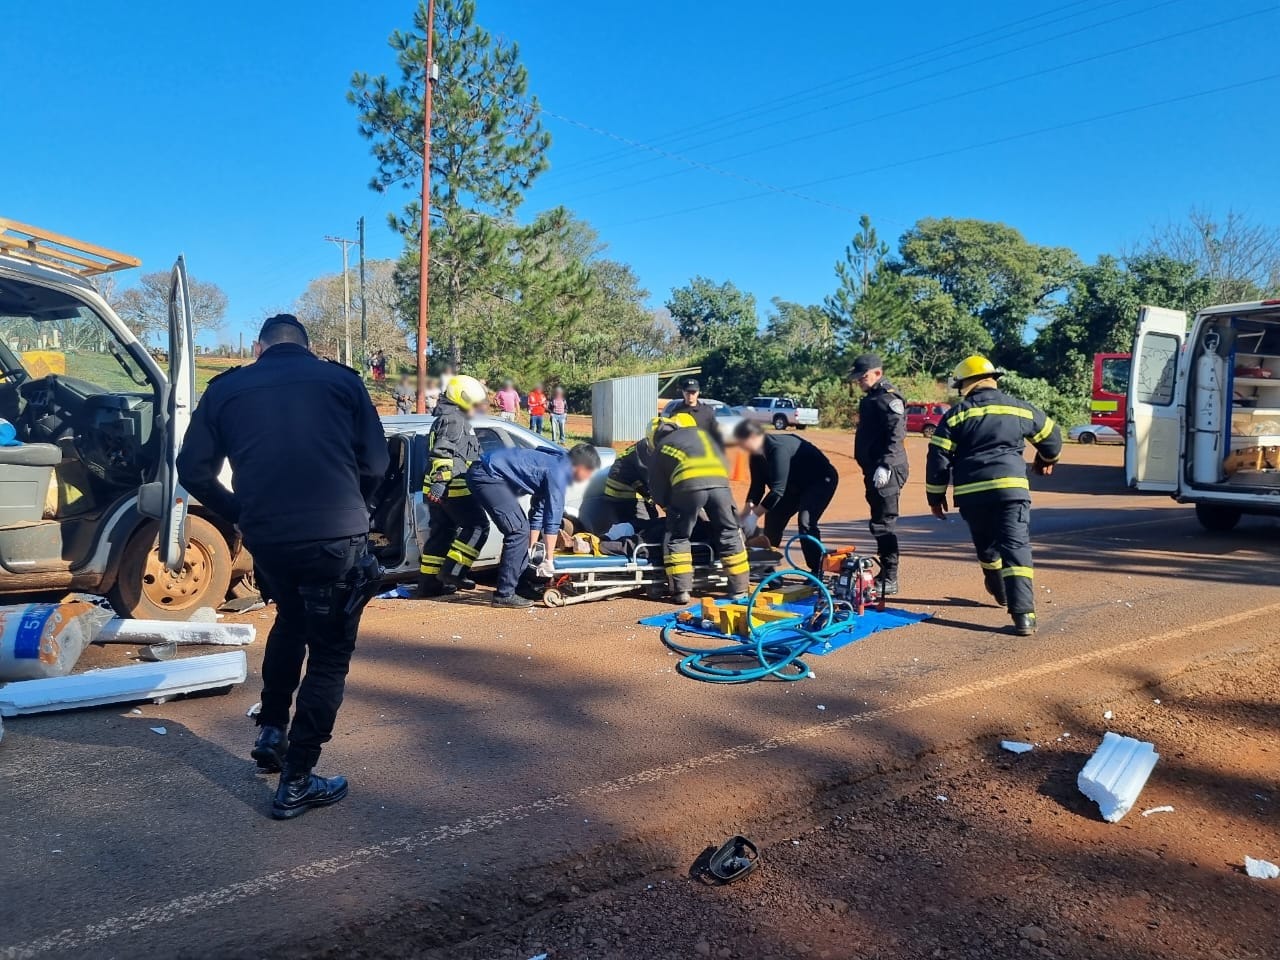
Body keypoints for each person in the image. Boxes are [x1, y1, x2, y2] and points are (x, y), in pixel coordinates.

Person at [176, 314, 388, 820]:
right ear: (309, 347)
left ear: (258, 347)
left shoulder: (227, 388)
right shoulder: (342, 381)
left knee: (291, 622)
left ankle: (273, 729)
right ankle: (297, 781)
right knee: (331, 656)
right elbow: (377, 464)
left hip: (269, 539)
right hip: (336, 539)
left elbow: (191, 471)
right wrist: (353, 508)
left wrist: (239, 512)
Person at [925, 355, 1062, 636]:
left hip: (972, 495)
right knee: (1015, 548)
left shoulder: (957, 414)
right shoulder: (1020, 409)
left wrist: (935, 495)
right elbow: (1052, 436)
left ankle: (1000, 591)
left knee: (987, 547)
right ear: (993, 379)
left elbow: (938, 457)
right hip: (1011, 491)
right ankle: (1023, 615)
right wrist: (1047, 458)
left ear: (964, 384)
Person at [467, 442, 601, 607]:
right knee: (517, 531)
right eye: (589, 472)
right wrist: (549, 560)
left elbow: (539, 511)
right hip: (487, 475)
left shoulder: (559, 463)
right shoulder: (559, 472)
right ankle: (504, 594)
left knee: (521, 530)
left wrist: (530, 549)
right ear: (581, 467)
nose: (588, 477)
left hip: (489, 473)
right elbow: (553, 517)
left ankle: (519, 586)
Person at [643, 414, 749, 604]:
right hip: (720, 485)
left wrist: (672, 509)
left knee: (678, 536)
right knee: (729, 534)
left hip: (688, 488)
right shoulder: (701, 434)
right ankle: (740, 589)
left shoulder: (661, 448)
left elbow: (658, 490)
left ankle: (681, 591)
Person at [417, 375, 490, 598]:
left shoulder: (445, 416)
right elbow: (442, 453)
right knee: (478, 527)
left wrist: (437, 485)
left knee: (441, 534)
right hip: (455, 486)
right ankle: (454, 572)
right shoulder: (453, 420)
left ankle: (429, 584)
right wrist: (441, 482)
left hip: (439, 488)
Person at [733, 420, 838, 574]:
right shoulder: (755, 454)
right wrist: (746, 512)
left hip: (819, 481)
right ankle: (766, 566)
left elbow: (777, 491)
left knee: (806, 521)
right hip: (793, 486)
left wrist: (754, 516)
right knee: (774, 518)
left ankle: (817, 569)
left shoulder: (777, 449)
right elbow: (757, 486)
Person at [851, 353, 908, 596]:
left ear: (878, 373)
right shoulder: (872, 398)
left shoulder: (888, 397)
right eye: (858, 378)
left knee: (884, 523)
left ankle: (890, 577)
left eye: (863, 377)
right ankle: (885, 573)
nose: (859, 381)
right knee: (878, 521)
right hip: (874, 470)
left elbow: (897, 433)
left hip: (887, 470)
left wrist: (885, 464)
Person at [665, 377, 722, 450]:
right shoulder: (676, 412)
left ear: (698, 392)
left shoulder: (707, 411)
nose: (690, 396)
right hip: (683, 452)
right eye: (688, 392)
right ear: (683, 392)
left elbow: (716, 434)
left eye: (693, 392)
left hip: (703, 451)